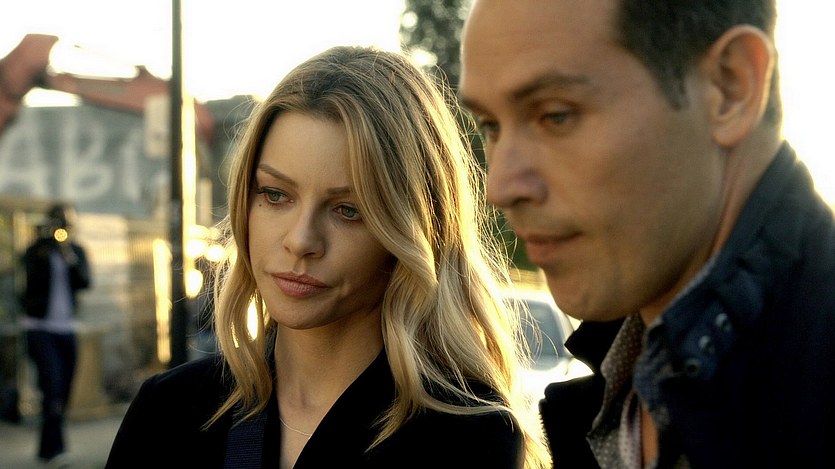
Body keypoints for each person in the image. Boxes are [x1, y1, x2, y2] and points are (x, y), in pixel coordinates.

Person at [106, 45, 551, 469]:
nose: (301, 240)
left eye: (348, 210)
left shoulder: (468, 438)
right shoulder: (168, 411)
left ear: (413, 229)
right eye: (275, 195)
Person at [459, 1, 835, 468]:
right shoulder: (623, 385)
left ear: (731, 86)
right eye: (490, 126)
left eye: (556, 115)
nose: (499, 187)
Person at [20, 202, 91, 465]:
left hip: (67, 328)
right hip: (40, 329)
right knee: (52, 388)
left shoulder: (75, 251)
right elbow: (27, 280)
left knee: (64, 392)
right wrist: (45, 245)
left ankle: (45, 448)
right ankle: (56, 450)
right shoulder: (37, 251)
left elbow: (85, 282)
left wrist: (67, 255)